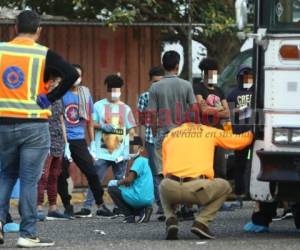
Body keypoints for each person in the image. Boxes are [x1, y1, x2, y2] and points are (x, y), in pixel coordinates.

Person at [0, 10, 79, 248]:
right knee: (29, 181)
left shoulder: (2, 50)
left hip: (3, 124)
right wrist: (50, 97)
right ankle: (28, 233)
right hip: (34, 125)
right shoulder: (43, 54)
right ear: (39, 30)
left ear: (14, 27)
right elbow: (72, 74)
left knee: (5, 175)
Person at [159, 122, 253, 240]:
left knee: (163, 185)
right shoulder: (209, 131)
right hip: (198, 192)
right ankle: (201, 222)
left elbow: (165, 171)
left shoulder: (170, 135)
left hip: (170, 188)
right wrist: (253, 132)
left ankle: (170, 219)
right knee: (225, 186)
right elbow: (239, 141)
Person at [146, 51, 199, 220]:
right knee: (184, 171)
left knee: (164, 173)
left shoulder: (155, 87)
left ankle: (170, 210)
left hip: (163, 133)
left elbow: (152, 114)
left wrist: (155, 132)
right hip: (183, 133)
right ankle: (187, 207)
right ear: (178, 66)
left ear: (163, 66)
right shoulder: (186, 85)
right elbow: (194, 110)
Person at [75, 74, 136, 218]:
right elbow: (91, 123)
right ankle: (87, 207)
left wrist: (130, 151)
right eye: (111, 90)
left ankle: (119, 207)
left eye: (116, 91)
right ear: (107, 90)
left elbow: (131, 129)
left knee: (119, 181)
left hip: (120, 153)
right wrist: (102, 127)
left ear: (120, 91)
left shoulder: (125, 108)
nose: (113, 94)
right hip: (102, 152)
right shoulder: (97, 106)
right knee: (94, 179)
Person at [57, 64, 110, 218]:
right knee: (62, 174)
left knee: (92, 173)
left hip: (79, 140)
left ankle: (101, 204)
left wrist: (92, 143)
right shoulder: (60, 93)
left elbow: (90, 121)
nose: (75, 78)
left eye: (78, 75)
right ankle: (67, 206)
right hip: (63, 139)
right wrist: (64, 144)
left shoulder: (85, 94)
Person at [37, 76, 70, 221]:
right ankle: (38, 207)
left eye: (58, 84)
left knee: (55, 175)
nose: (56, 86)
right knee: (42, 175)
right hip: (45, 139)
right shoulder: (42, 98)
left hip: (58, 141)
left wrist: (66, 142)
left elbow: (62, 120)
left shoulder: (59, 99)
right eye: (54, 83)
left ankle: (53, 207)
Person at [108, 136, 154, 223]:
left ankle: (129, 215)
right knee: (126, 190)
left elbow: (129, 180)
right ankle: (142, 211)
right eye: (128, 147)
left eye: (133, 146)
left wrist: (117, 182)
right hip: (148, 198)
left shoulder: (139, 161)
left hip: (139, 197)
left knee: (112, 189)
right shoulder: (144, 161)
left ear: (141, 149)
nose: (130, 149)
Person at [137, 66, 164, 215]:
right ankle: (160, 204)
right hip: (151, 139)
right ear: (150, 81)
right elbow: (141, 120)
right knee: (156, 174)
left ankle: (171, 203)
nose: (157, 85)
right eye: (154, 82)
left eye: (159, 82)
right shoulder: (145, 97)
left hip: (167, 139)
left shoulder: (166, 95)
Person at [227, 65, 254, 208]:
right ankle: (239, 194)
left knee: (257, 164)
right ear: (239, 78)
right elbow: (229, 112)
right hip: (239, 134)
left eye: (249, 76)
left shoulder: (258, 91)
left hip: (256, 134)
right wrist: (245, 109)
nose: (247, 78)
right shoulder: (232, 94)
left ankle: (257, 194)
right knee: (240, 165)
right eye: (244, 76)